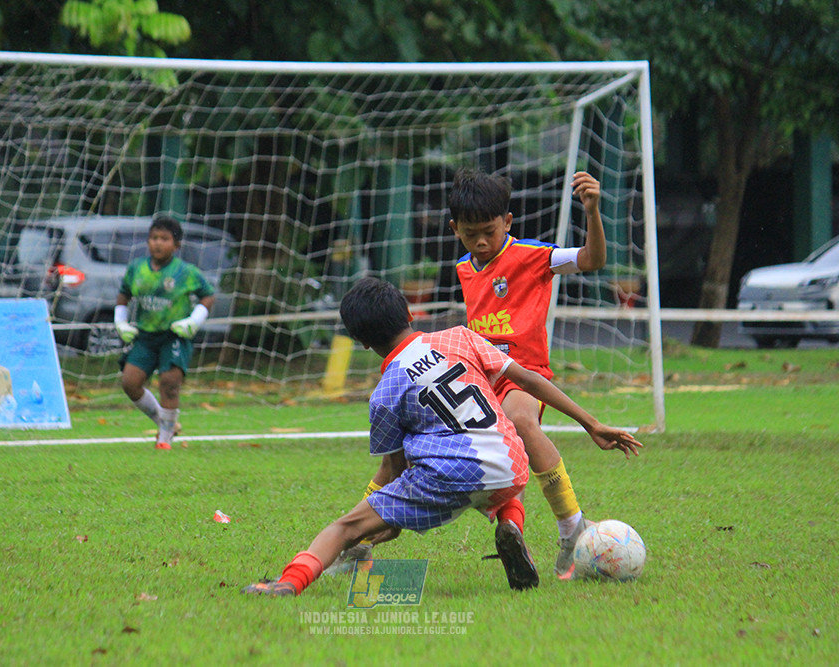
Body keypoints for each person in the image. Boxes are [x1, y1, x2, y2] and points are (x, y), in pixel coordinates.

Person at [242, 278, 641, 597]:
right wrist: (591, 423)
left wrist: (386, 520)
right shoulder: (460, 337)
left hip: (448, 477)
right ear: (410, 313)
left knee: (344, 528)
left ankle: (288, 583)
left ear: (362, 342)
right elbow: (529, 379)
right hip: (512, 464)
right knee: (500, 472)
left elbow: (393, 470)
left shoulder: (384, 393)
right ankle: (510, 523)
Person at [331, 168, 617, 580]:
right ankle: (356, 545)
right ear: (454, 230)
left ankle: (572, 527)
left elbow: (593, 259)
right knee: (406, 456)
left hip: (522, 373)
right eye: (470, 234)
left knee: (519, 421)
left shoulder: (533, 255)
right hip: (476, 379)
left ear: (508, 222)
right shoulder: (465, 267)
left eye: (489, 231)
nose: (481, 241)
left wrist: (591, 212)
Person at [114, 216, 216, 450]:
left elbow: (208, 295)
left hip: (173, 335)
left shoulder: (185, 271)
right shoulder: (137, 268)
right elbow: (124, 294)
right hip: (145, 336)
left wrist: (194, 320)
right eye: (154, 238)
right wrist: (120, 322)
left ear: (176, 244)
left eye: (164, 239)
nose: (158, 243)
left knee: (169, 382)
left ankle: (164, 439)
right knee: (130, 382)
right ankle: (165, 422)